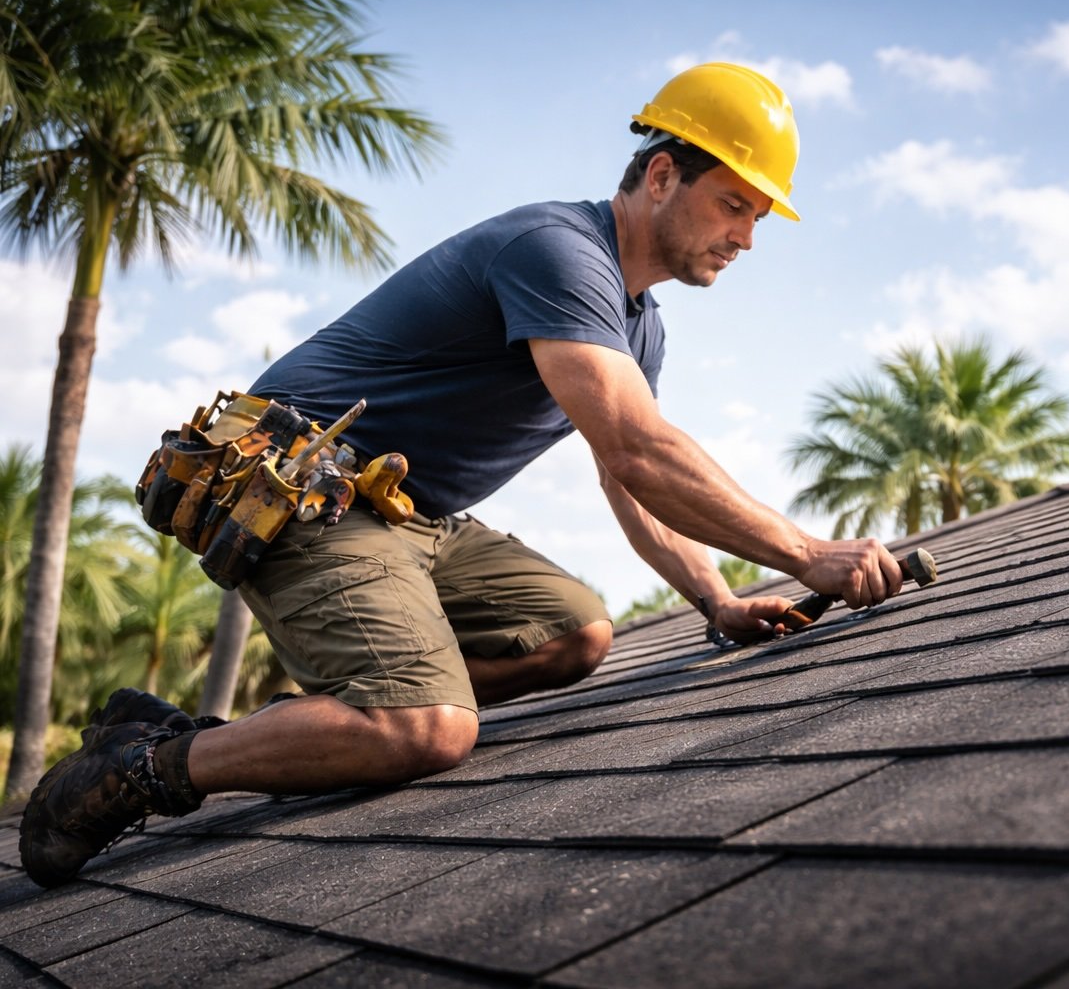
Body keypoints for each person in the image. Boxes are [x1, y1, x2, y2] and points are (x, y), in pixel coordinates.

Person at [19, 62, 903, 888]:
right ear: (664, 175)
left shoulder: (641, 327)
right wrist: (807, 554)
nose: (748, 237)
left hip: (409, 516)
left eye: (758, 217)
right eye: (734, 205)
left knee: (575, 635)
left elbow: (624, 474)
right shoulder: (556, 250)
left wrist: (716, 600)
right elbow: (640, 448)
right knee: (427, 726)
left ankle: (305, 727)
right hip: (306, 495)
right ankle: (140, 769)